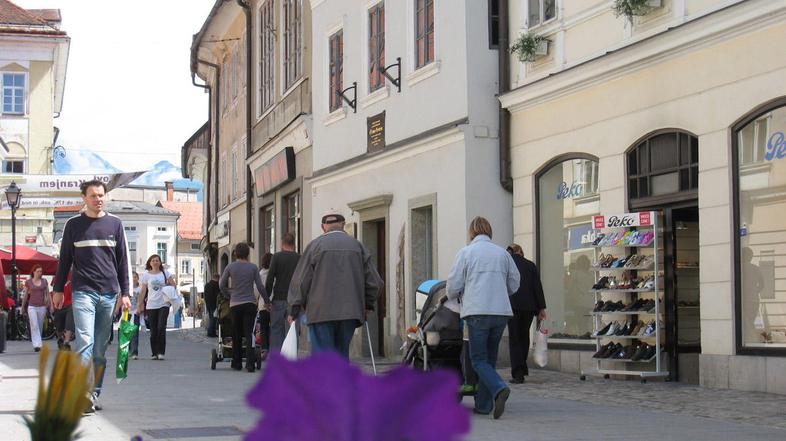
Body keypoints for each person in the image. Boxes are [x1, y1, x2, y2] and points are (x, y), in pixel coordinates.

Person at [53, 179, 132, 414]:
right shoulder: (73, 225)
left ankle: (94, 393)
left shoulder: (115, 224)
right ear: (84, 198)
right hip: (83, 291)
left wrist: (126, 293)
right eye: (93, 196)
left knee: (99, 349)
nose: (98, 199)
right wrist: (58, 289)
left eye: (101, 195)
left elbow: (123, 261)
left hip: (109, 293)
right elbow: (64, 260)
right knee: (84, 341)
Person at [446, 216, 519, 420]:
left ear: (472, 232)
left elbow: (453, 284)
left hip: (477, 311)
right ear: (489, 231)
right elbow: (515, 282)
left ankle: (499, 388)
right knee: (489, 359)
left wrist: (453, 295)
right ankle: (484, 405)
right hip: (500, 312)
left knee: (478, 359)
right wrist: (501, 292)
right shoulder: (503, 254)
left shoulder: (466, 253)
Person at [288, 210, 383, 358]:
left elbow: (301, 280)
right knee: (342, 354)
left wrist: (294, 308)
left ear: (323, 227)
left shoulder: (315, 246)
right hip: (350, 312)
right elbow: (375, 282)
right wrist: (368, 304)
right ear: (343, 225)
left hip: (320, 311)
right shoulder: (357, 246)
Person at [220, 242, 269, 372]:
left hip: (235, 304)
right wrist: (267, 301)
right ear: (247, 254)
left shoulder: (230, 267)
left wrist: (228, 295)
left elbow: (221, 284)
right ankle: (250, 364)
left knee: (236, 333)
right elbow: (260, 286)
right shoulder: (253, 267)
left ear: (235, 253)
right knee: (249, 333)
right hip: (249, 304)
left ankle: (236, 363)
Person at [505, 244, 547, 384]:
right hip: (529, 307)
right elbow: (537, 287)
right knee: (524, 337)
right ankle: (522, 367)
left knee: (515, 338)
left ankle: (518, 373)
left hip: (512, 306)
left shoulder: (508, 265)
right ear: (521, 251)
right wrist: (541, 308)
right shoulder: (530, 265)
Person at [266, 234, 300, 351]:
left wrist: (267, 300)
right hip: (294, 301)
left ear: (282, 244)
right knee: (292, 332)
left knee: (276, 330)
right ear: (294, 244)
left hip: (278, 299)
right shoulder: (299, 258)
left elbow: (270, 279)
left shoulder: (276, 257)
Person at [137, 254, 175, 360]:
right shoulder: (146, 275)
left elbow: (173, 285)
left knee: (161, 327)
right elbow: (143, 291)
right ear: (150, 263)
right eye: (153, 260)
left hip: (164, 304)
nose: (155, 262)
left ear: (160, 262)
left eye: (157, 260)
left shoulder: (165, 273)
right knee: (153, 330)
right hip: (151, 305)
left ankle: (161, 352)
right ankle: (154, 353)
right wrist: (140, 304)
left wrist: (167, 288)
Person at [21, 264, 51, 352]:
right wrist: (22, 307)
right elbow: (25, 295)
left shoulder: (44, 281)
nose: (40, 273)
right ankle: (37, 345)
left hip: (42, 306)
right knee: (34, 325)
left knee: (40, 325)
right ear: (33, 272)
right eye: (38, 271)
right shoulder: (28, 282)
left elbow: (48, 293)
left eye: (41, 271)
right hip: (32, 307)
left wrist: (51, 305)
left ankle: (38, 341)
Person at [52, 272, 75, 351]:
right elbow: (54, 290)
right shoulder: (58, 275)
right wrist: (54, 303)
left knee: (69, 323)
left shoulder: (75, 275)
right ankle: (60, 338)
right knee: (59, 326)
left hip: (70, 304)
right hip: (60, 304)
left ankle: (66, 342)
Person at [257, 252, 273, 354]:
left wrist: (255, 300)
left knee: (263, 327)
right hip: (274, 304)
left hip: (263, 305)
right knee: (274, 327)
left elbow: (256, 289)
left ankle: (264, 349)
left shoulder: (260, 274)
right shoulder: (275, 274)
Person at [129, 271, 142, 359]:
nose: (133, 279)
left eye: (135, 277)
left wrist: (140, 308)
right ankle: (128, 350)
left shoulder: (140, 289)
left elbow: (142, 300)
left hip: (135, 313)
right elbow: (120, 298)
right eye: (132, 277)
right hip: (126, 313)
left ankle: (134, 353)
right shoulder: (126, 288)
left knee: (134, 333)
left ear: (138, 278)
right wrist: (117, 309)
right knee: (126, 333)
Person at [204, 273, 220, 338]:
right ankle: (211, 332)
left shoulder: (207, 285)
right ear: (217, 278)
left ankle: (211, 332)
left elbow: (205, 295)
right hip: (214, 304)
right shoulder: (216, 285)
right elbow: (217, 295)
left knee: (211, 318)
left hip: (208, 304)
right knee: (214, 319)